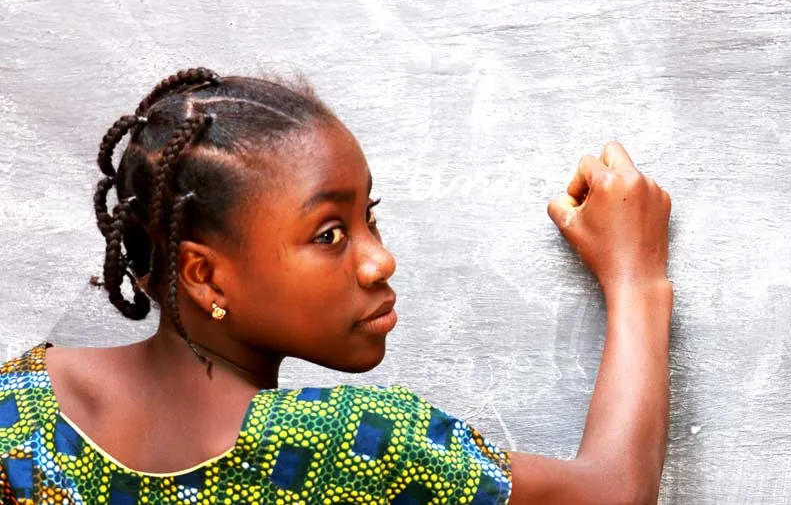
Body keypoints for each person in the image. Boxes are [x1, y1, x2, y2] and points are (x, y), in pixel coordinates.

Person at [0, 67, 673, 505]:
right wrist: (636, 274)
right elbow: (615, 491)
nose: (379, 261)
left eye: (368, 218)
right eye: (329, 233)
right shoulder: (354, 444)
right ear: (204, 274)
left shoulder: (16, 406)